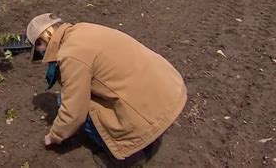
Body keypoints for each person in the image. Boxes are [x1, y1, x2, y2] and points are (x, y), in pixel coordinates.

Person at [26, 13, 187, 162]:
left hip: (148, 113)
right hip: (168, 89)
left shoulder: (70, 55)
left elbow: (73, 114)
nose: (41, 54)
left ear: (43, 41)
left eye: (39, 49)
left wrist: (54, 136)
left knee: (66, 101)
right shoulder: (83, 28)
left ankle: (129, 156)